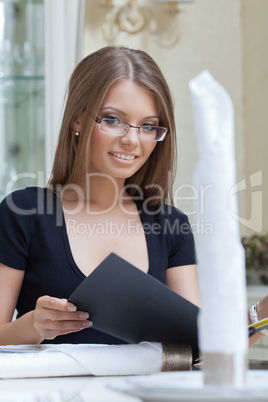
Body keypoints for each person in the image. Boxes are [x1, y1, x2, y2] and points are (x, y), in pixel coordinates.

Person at [0, 46, 263, 348]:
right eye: (113, 119)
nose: (132, 139)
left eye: (148, 126)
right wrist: (33, 325)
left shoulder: (169, 225)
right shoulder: (23, 213)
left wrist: (261, 315)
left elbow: (200, 347)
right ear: (77, 120)